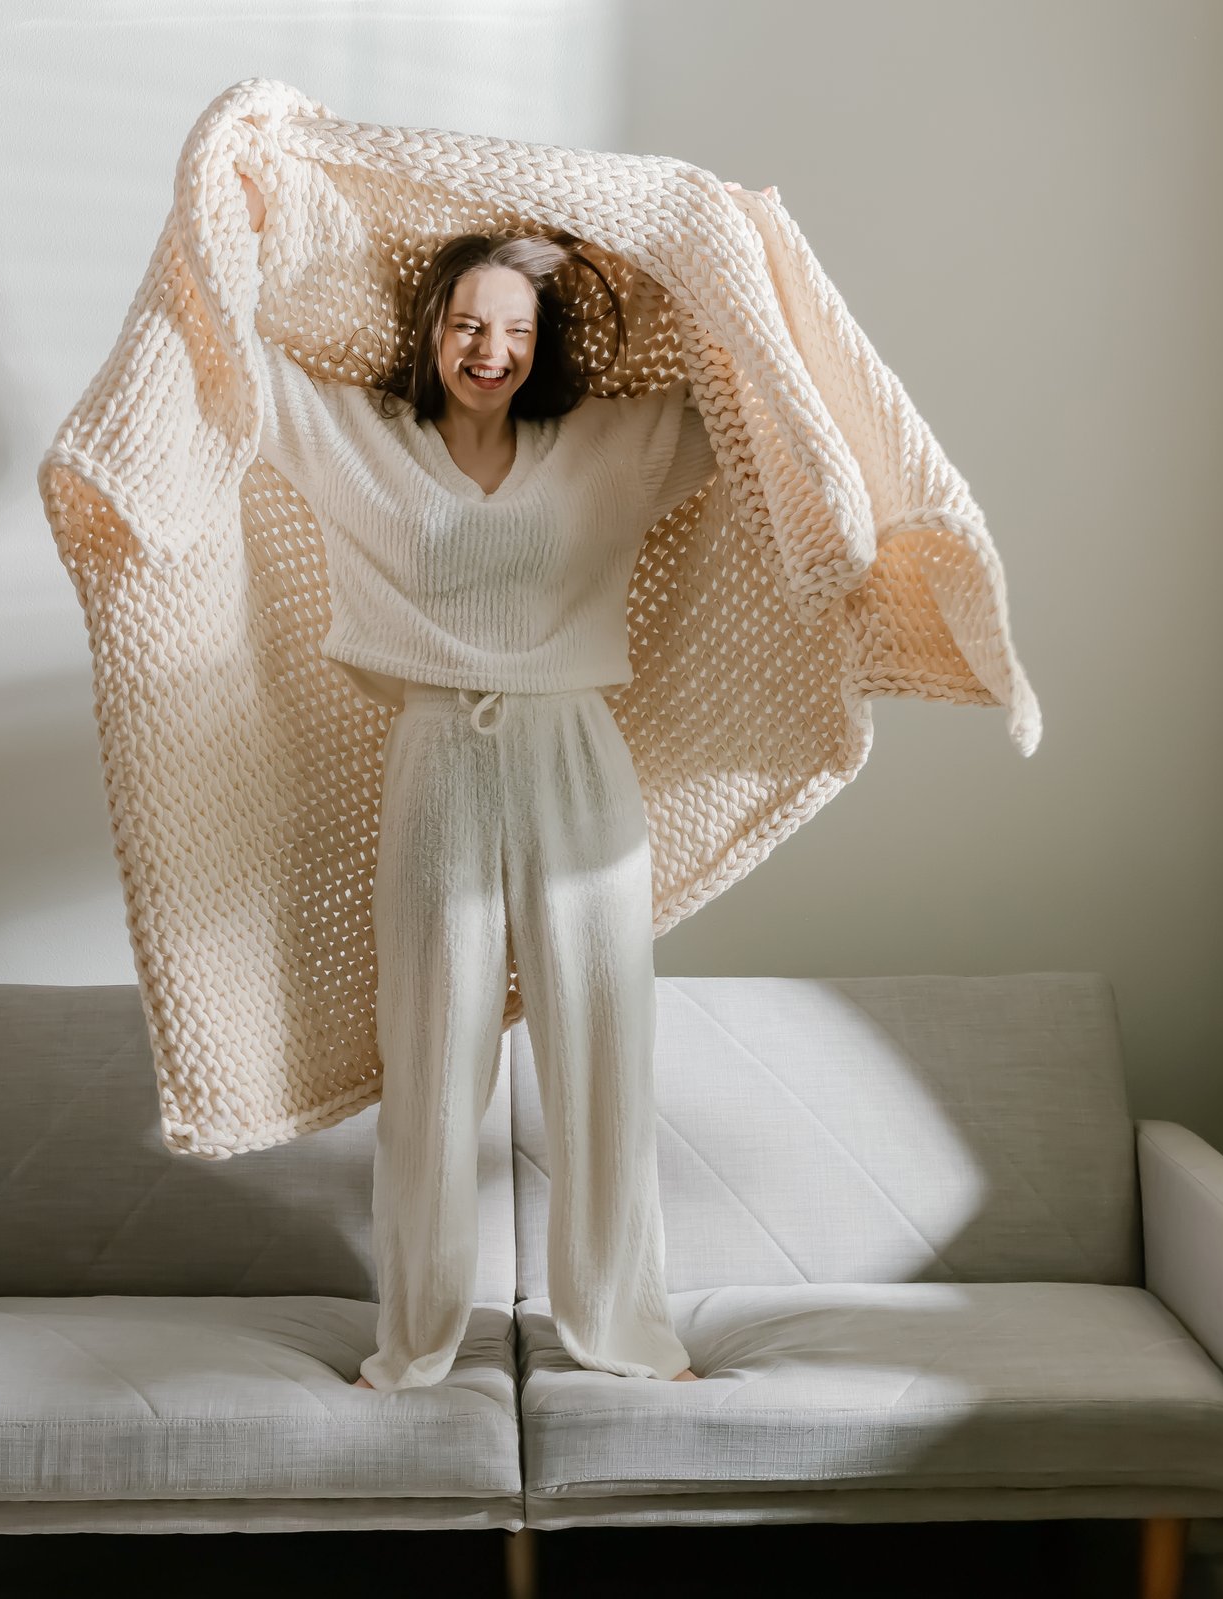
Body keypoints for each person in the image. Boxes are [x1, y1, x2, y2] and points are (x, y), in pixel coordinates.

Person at [238, 172, 751, 1391]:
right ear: (430, 328)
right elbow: (237, 365)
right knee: (432, 1061)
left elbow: (740, 392)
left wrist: (722, 245)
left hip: (576, 755)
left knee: (603, 1048)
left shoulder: (602, 447)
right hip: (438, 759)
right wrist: (242, 191)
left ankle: (620, 1323)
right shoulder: (368, 439)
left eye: (517, 330)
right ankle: (415, 1339)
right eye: (470, 324)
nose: (493, 350)